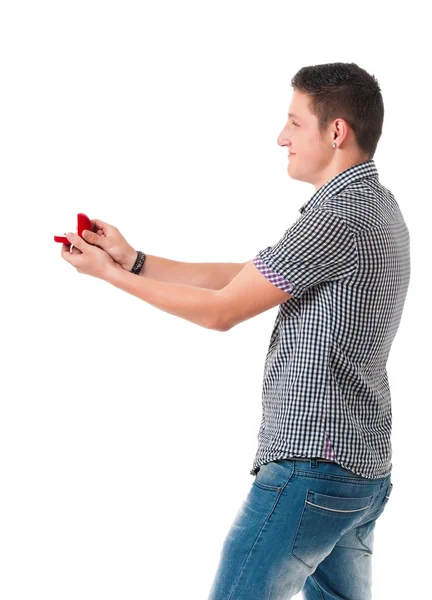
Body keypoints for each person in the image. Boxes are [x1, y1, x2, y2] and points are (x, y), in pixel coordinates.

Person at [61, 61, 410, 600]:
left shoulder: (341, 214)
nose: (281, 137)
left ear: (336, 131)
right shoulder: (374, 206)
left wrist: (107, 276)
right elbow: (247, 278)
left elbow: (223, 311)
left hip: (311, 469)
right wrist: (133, 261)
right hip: (357, 474)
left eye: (294, 123)